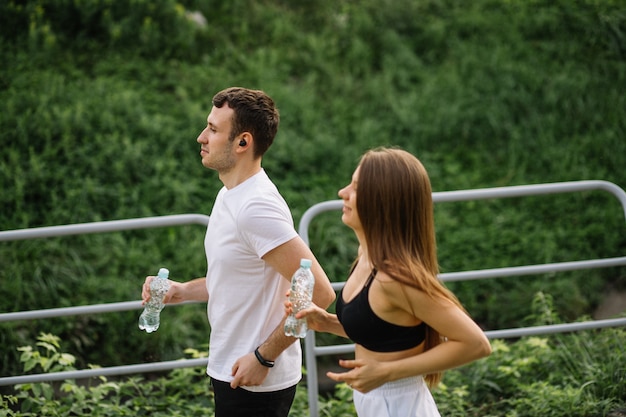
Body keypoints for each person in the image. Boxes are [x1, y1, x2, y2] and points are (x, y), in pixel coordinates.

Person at [142, 87, 336, 417]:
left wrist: (264, 357)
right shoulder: (230, 194)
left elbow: (319, 291)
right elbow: (239, 277)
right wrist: (182, 291)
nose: (201, 137)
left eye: (214, 130)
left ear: (242, 142)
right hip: (232, 367)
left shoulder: (256, 207)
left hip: (257, 378)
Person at [286, 147, 492, 417]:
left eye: (357, 187)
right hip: (375, 403)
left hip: (401, 405)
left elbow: (476, 344)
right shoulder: (366, 258)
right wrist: (326, 322)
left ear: (383, 201)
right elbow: (385, 333)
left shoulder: (394, 277)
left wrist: (386, 372)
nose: (343, 192)